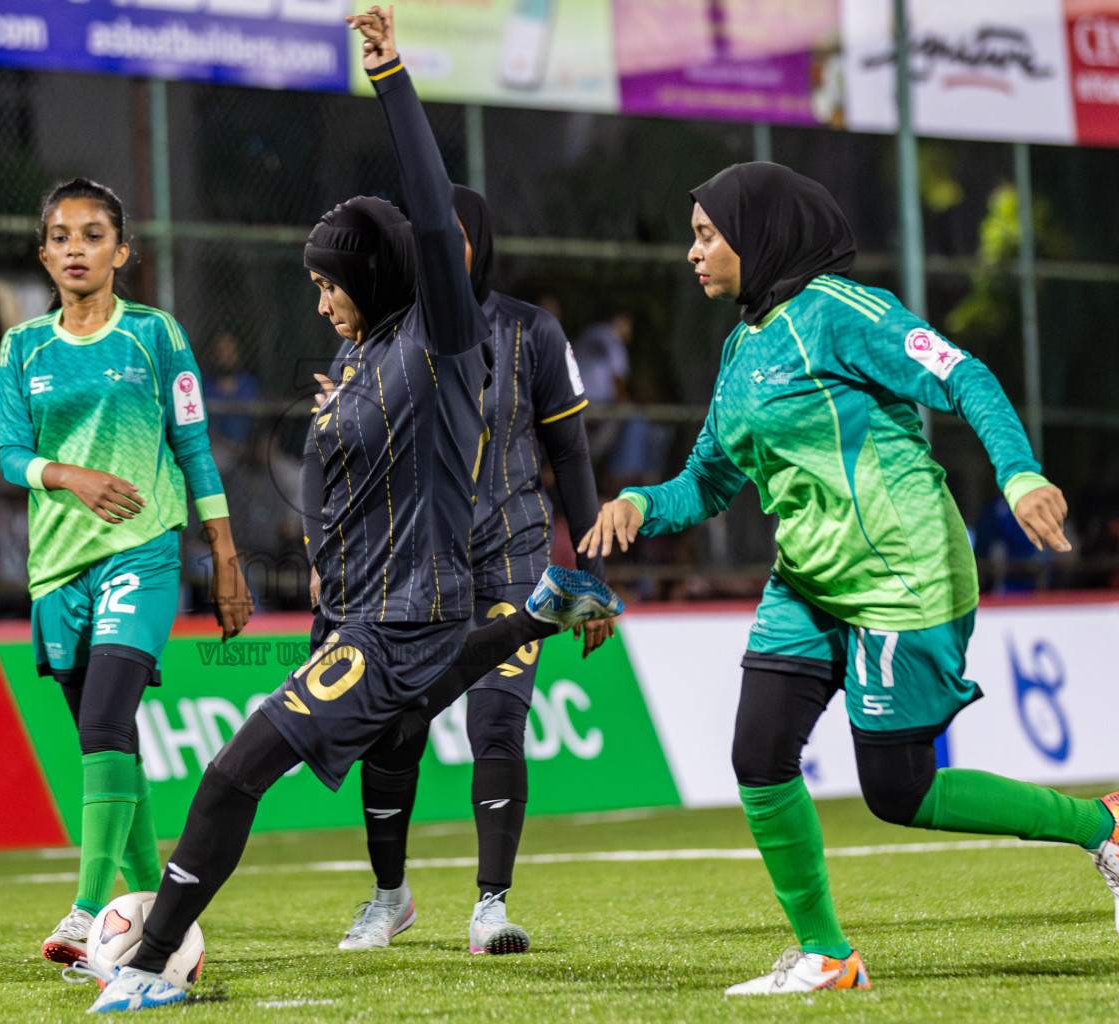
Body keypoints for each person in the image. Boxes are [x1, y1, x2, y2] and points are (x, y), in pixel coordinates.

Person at [89, 8, 621, 1012]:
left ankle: (149, 962)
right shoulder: (361, 355)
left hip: (406, 623)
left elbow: (427, 214)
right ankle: (542, 608)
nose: (321, 297)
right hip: (378, 615)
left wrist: (391, 78)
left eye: (329, 280)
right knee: (377, 730)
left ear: (371, 274)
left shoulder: (439, 345)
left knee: (229, 776)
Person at [580, 162, 1115, 996]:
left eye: (706, 235)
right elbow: (710, 482)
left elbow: (963, 373)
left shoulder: (839, 311)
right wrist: (641, 504)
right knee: (758, 755)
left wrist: (1019, 474)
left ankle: (1101, 825)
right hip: (809, 582)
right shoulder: (741, 348)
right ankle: (827, 956)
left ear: (756, 238)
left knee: (898, 791)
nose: (693, 253)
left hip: (902, 576)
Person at [330, 185, 612, 957]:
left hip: (515, 561)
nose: (435, 249)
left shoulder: (532, 331)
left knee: (496, 721)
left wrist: (588, 572)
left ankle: (491, 907)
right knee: (393, 728)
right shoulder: (378, 331)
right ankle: (390, 897)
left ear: (477, 243)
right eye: (421, 236)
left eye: (448, 234)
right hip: (413, 568)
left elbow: (572, 455)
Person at [0, 178, 253, 969]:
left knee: (106, 724)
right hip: (56, 571)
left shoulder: (154, 335)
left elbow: (195, 449)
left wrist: (226, 557)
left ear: (122, 251)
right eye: (62, 236)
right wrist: (68, 476)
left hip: (142, 552)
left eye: (93, 234)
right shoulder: (22, 347)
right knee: (112, 747)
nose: (77, 248)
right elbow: (9, 454)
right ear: (44, 254)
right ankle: (162, 922)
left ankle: (83, 911)